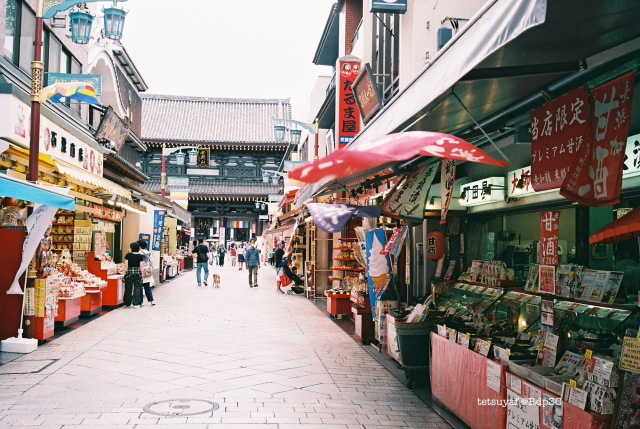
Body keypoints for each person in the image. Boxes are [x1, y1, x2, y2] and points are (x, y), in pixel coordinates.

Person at [124, 242, 144, 307]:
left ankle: (127, 303)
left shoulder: (128, 255)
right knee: (137, 288)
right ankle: (136, 303)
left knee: (128, 288)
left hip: (129, 273)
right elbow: (141, 266)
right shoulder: (140, 256)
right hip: (137, 273)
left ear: (131, 248)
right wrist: (142, 274)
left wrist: (124, 273)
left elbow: (126, 265)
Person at [137, 239, 155, 306]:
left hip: (140, 270)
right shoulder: (148, 253)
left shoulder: (138, 253)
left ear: (139, 246)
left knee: (140, 287)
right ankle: (151, 300)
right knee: (147, 286)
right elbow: (151, 261)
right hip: (147, 270)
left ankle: (141, 302)